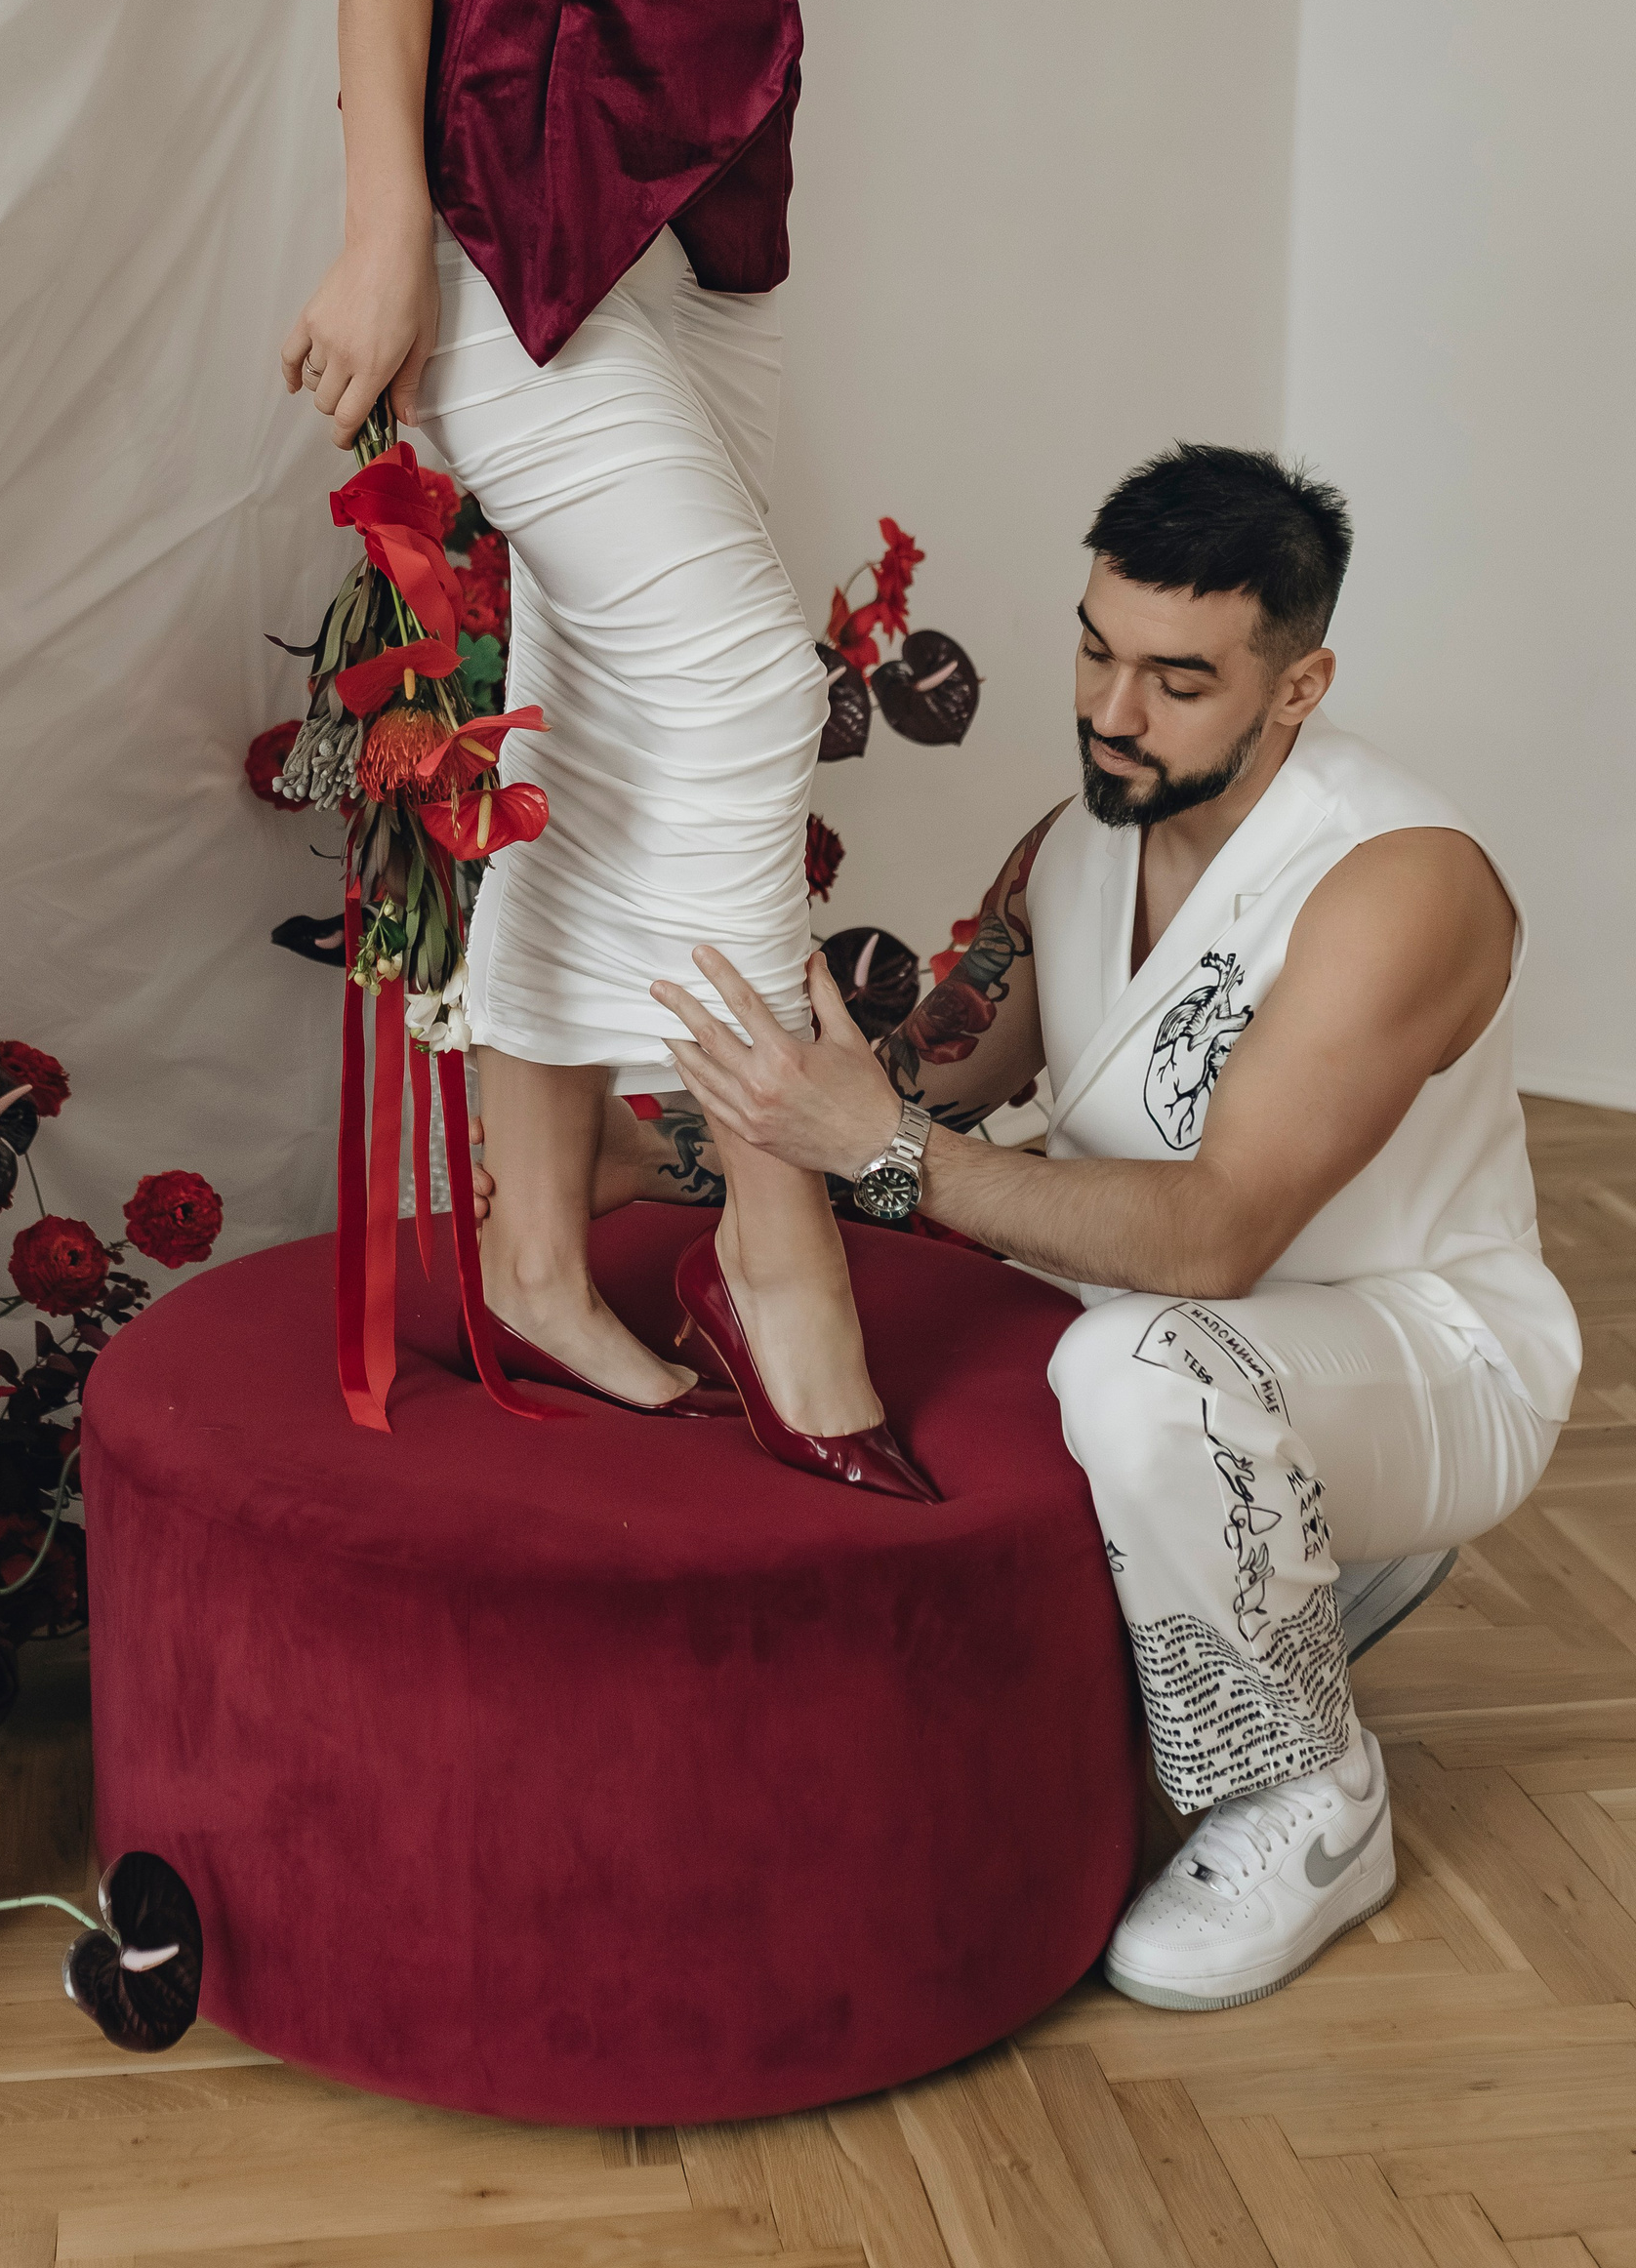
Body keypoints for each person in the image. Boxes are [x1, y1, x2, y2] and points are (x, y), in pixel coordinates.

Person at [547, 442, 1581, 2010]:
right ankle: (1294, 1577)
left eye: (1179, 678)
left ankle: (1311, 1795)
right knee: (1084, 1344)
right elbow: (925, 1081)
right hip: (1169, 1325)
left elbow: (1215, 1235)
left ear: (1298, 688)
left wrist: (883, 1148)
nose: (1112, 709)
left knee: (1132, 1370)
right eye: (1097, 650)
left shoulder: (1398, 886)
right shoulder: (1077, 840)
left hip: (1420, 1358)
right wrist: (648, 1154)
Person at [281, 0, 931, 1497]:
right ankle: (775, 1247)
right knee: (748, 690)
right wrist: (383, 228)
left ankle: (534, 1253)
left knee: (606, 700)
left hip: (717, 206)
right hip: (506, 199)